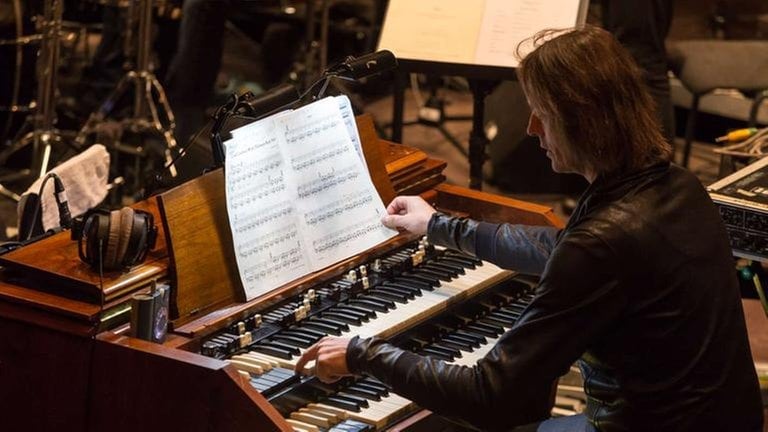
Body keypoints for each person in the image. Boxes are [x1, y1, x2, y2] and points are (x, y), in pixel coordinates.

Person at [294, 26, 764, 431]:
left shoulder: (603, 242)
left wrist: (363, 354)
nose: (532, 128)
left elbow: (490, 395)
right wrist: (439, 225)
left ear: (583, 122)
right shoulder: (677, 186)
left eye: (542, 112)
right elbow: (561, 246)